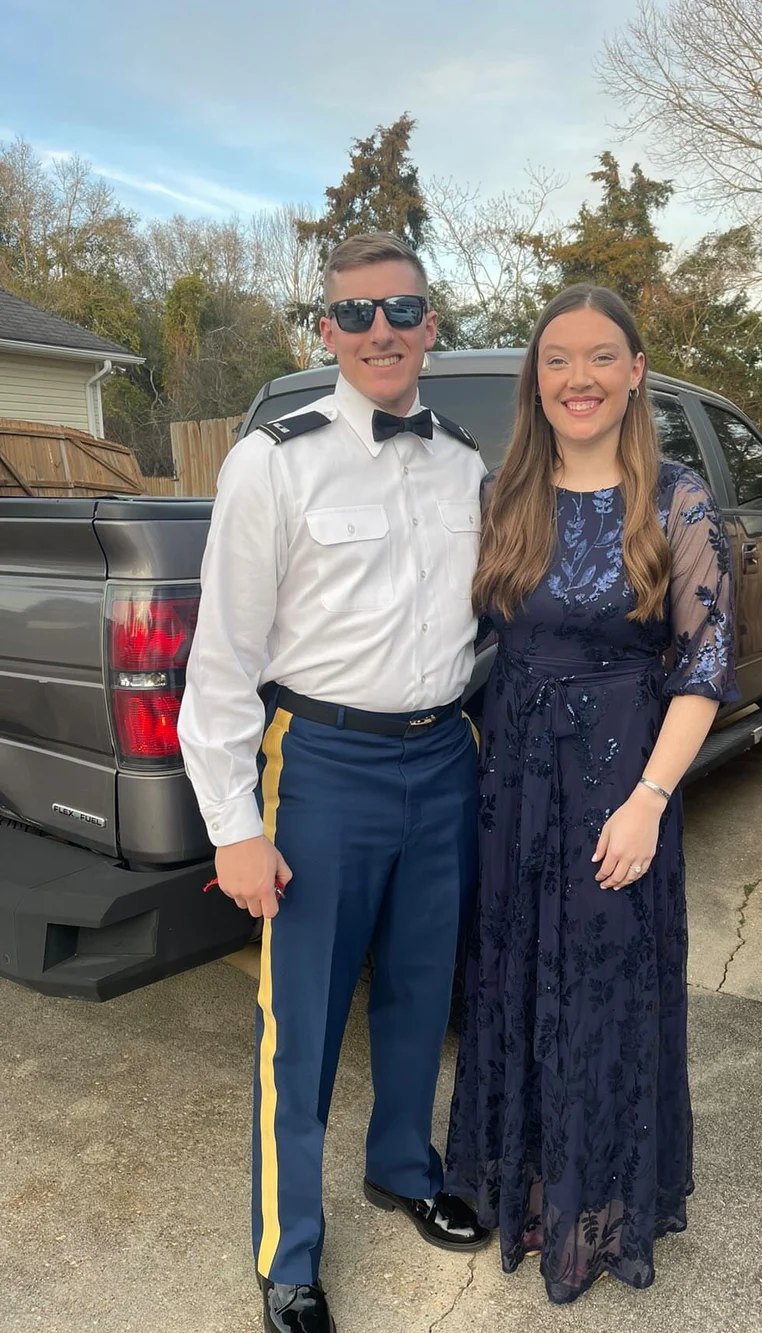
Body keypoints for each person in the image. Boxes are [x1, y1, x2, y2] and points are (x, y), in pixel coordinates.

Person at [177, 232, 491, 1333]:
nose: (379, 333)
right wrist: (232, 827)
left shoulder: (463, 462)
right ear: (325, 329)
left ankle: (403, 1168)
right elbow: (221, 658)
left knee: (418, 990)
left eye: (400, 311)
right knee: (300, 1019)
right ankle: (288, 1251)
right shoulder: (275, 457)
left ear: (430, 325)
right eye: (354, 314)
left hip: (443, 754)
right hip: (322, 763)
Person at [444, 284, 739, 1304]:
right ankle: (522, 1184)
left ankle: (598, 1201)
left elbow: (702, 666)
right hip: (513, 787)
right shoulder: (501, 495)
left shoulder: (676, 500)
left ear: (635, 372)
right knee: (516, 980)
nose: (579, 378)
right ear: (537, 376)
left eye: (601, 356)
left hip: (621, 780)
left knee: (607, 990)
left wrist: (650, 799)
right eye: (559, 358)